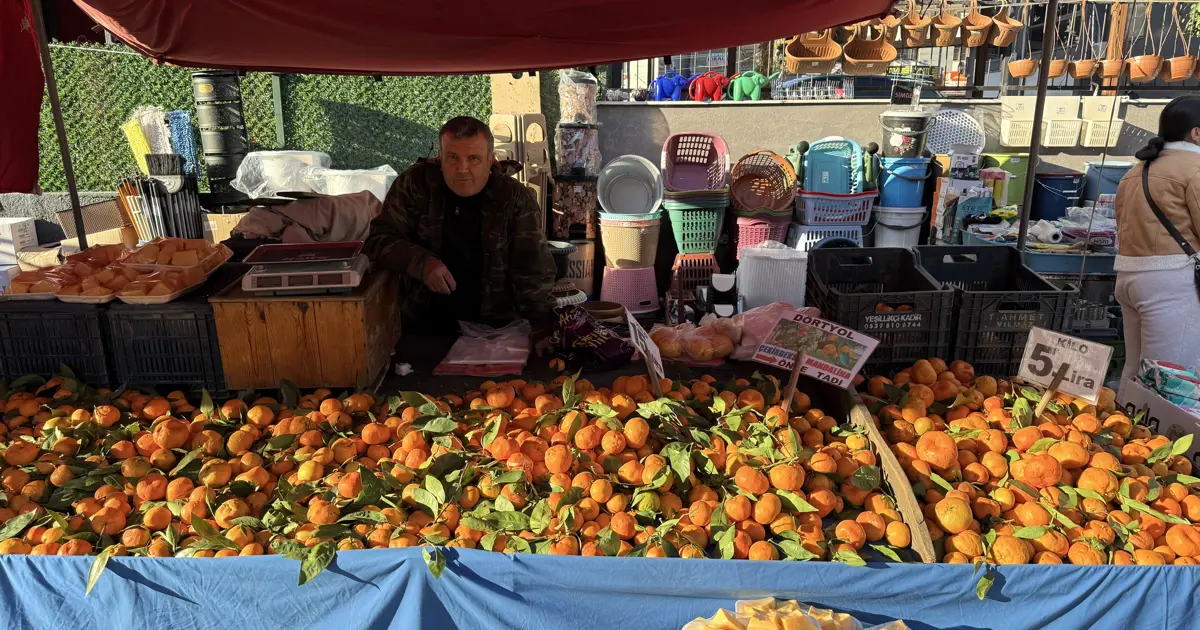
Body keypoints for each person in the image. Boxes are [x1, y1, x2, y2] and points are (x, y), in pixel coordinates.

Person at [365, 116, 556, 349]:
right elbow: (378, 240)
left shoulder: (513, 198)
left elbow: (533, 269)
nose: (462, 169)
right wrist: (422, 263)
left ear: (490, 160)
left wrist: (542, 328)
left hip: (496, 333)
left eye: (473, 159)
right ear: (440, 158)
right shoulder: (414, 185)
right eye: (452, 157)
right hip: (422, 329)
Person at [1114, 95, 1200, 386]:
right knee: (1170, 377)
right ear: (1196, 133)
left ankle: (1121, 424)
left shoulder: (1135, 170)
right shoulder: (1194, 168)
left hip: (1128, 278)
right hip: (1170, 282)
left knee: (1135, 372)